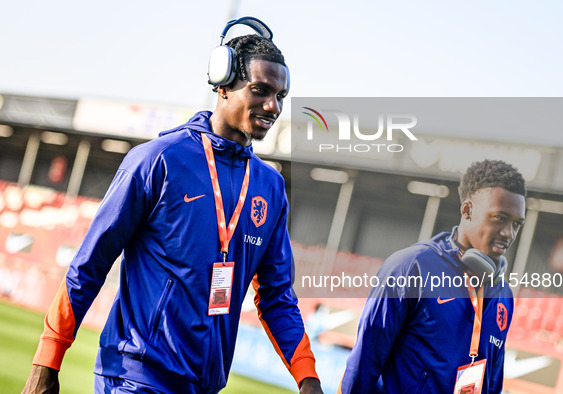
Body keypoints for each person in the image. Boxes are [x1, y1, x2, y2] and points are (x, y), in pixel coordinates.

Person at [23, 19, 322, 394]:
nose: (272, 105)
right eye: (261, 90)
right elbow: (91, 262)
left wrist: (308, 380)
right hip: (136, 376)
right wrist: (47, 362)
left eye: (281, 95)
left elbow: (277, 297)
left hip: (203, 385)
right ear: (223, 84)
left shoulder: (271, 187)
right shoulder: (157, 160)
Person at [339, 159, 526, 393]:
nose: (508, 233)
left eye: (517, 224)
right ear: (467, 210)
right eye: (499, 218)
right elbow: (364, 366)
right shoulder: (411, 267)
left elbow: (493, 383)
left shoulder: (503, 294)